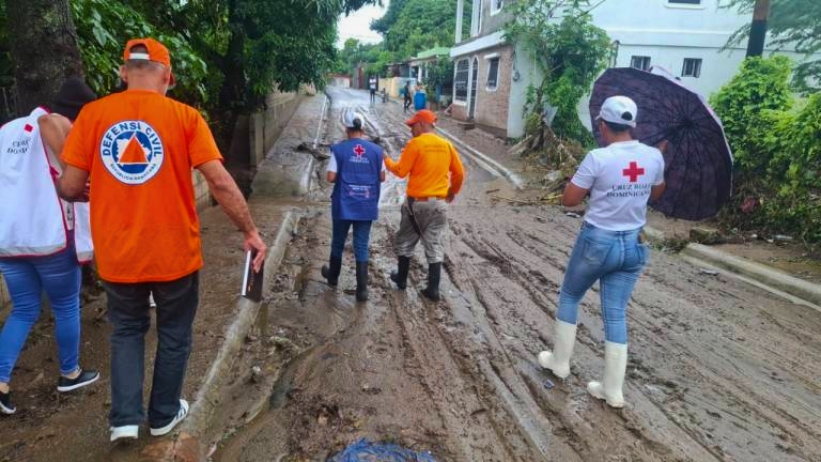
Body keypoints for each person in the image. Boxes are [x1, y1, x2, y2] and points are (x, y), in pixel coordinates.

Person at [57, 38, 267, 442]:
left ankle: (123, 420)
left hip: (118, 255)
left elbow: (68, 186)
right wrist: (250, 231)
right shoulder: (184, 116)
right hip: (174, 254)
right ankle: (164, 415)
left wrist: (89, 189)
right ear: (167, 76)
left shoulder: (92, 115)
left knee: (126, 331)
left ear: (123, 71)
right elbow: (220, 182)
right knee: (173, 333)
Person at [537, 96, 665, 409]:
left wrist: (597, 186)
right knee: (616, 313)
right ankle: (613, 390)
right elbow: (656, 192)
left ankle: (560, 362)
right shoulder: (654, 156)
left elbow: (569, 199)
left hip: (598, 241)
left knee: (570, 296)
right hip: (634, 244)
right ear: (632, 125)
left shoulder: (598, 157)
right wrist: (654, 164)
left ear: (604, 125)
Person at [0, 77, 99, 415]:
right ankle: (69, 373)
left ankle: (0, 383)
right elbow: (51, 126)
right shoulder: (55, 124)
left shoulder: (8, 130)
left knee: (24, 309)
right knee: (66, 306)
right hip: (50, 238)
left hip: (9, 242)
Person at [384, 110, 464, 301]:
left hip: (417, 205)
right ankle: (433, 289)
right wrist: (452, 192)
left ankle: (401, 279)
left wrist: (385, 159)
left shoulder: (416, 144)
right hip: (439, 204)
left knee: (405, 241)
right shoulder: (446, 145)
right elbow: (460, 173)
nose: (411, 130)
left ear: (420, 124)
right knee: (434, 243)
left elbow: (401, 171)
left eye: (412, 126)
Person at [321, 111, 385, 302]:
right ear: (363, 129)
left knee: (338, 241)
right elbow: (382, 177)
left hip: (343, 204)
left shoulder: (339, 150)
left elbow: (330, 177)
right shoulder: (376, 151)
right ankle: (362, 291)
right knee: (361, 244)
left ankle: (332, 277)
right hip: (366, 204)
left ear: (347, 129)